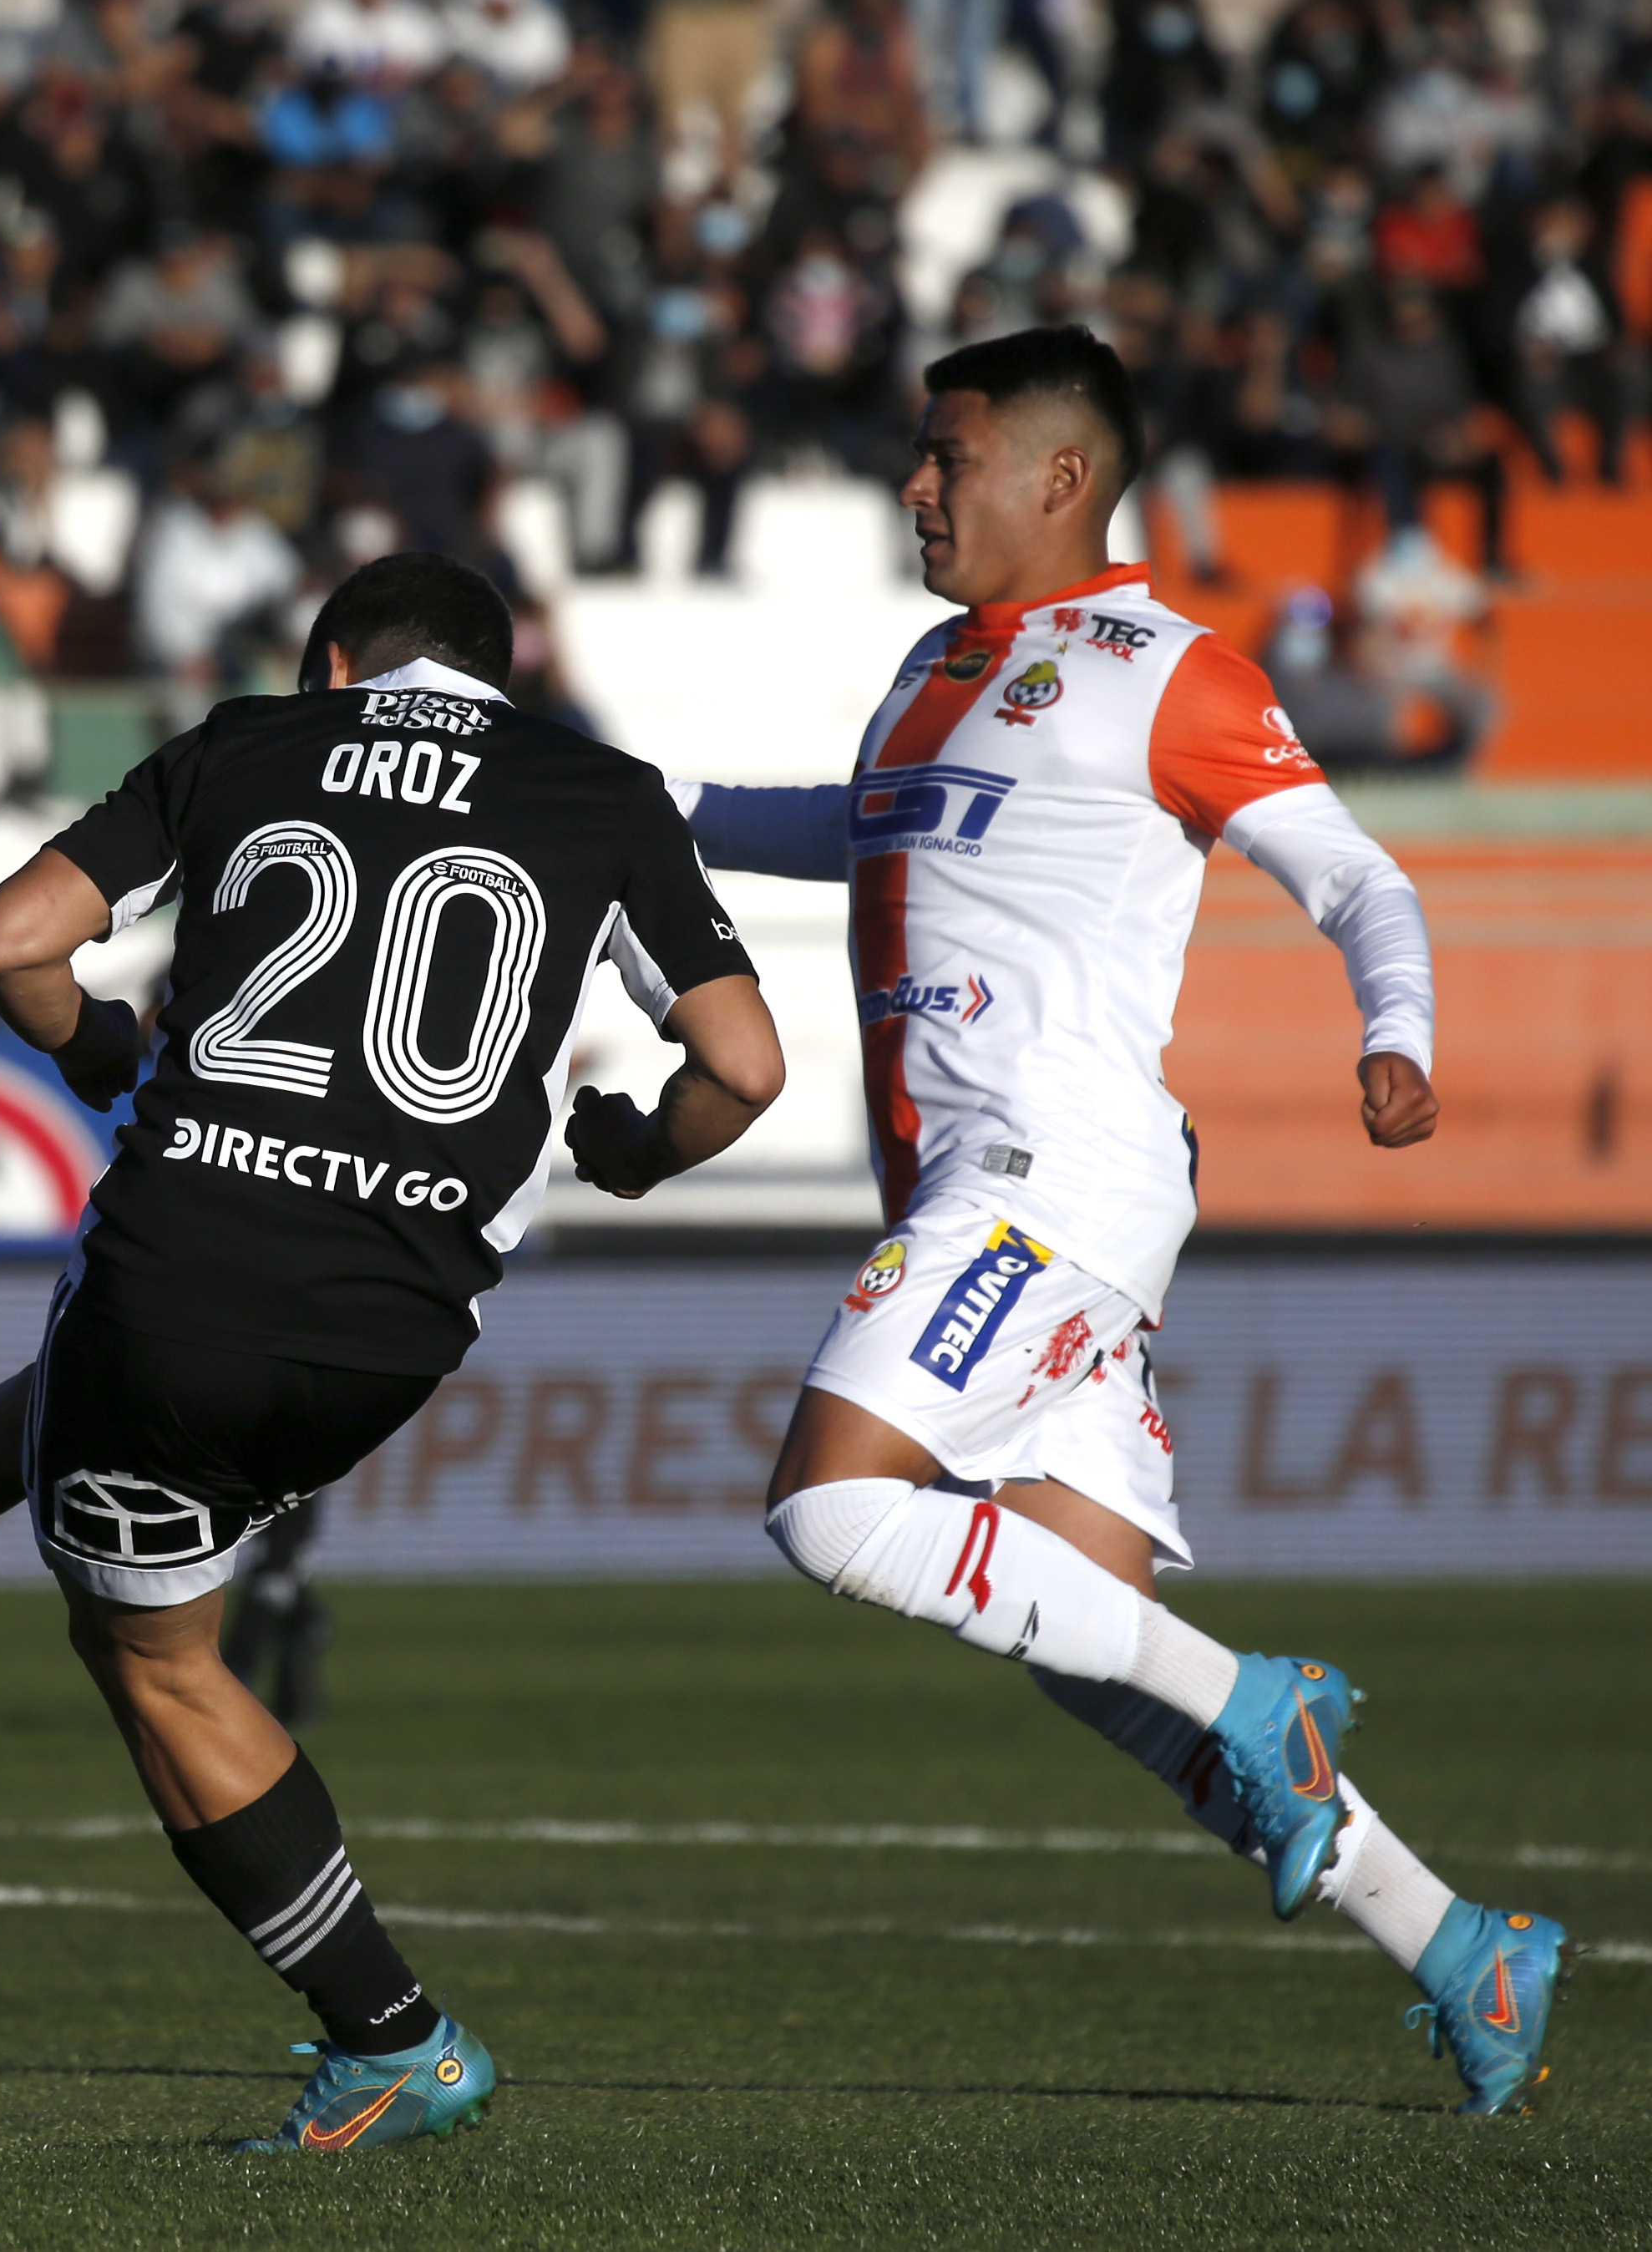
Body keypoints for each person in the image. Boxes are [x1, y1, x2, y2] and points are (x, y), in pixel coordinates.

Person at [0, 551, 789, 2152]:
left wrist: (104, 1051)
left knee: (148, 1653)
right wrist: (632, 1150)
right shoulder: (604, 790)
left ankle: (396, 2039)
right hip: (395, 1329)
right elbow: (747, 1066)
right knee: (45, 1447)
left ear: (340, 661)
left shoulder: (250, 743)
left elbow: (11, 938)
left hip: (182, 1274)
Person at [670, 325, 1565, 2116]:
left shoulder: (1165, 671)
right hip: (998, 1178)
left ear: (1058, 478)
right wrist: (615, 813)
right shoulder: (929, 670)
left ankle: (1265, 1699)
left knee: (835, 1505)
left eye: (947, 455)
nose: (913, 484)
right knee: (1088, 1640)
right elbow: (849, 829)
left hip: (1044, 1172)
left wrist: (1394, 1034)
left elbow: (1353, 876)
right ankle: (1460, 1942)